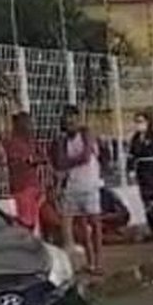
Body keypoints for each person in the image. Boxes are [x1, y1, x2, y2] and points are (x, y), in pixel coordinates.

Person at [51, 105, 104, 275]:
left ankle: (98, 262)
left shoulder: (85, 134)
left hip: (89, 186)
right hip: (72, 187)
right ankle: (87, 262)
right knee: (79, 228)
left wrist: (68, 161)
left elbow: (85, 156)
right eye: (67, 121)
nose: (69, 123)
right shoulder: (63, 140)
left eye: (72, 119)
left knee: (95, 225)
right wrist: (70, 161)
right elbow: (59, 162)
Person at [127, 110, 153, 234]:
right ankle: (152, 227)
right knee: (146, 202)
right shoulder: (136, 138)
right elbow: (131, 156)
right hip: (143, 173)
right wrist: (131, 171)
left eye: (141, 122)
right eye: (136, 122)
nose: (138, 125)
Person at [5, 112, 44, 234]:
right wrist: (31, 160)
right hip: (22, 187)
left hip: (31, 186)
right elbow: (19, 162)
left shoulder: (30, 142)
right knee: (26, 221)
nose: (30, 126)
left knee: (31, 219)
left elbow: (41, 156)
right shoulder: (13, 144)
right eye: (28, 123)